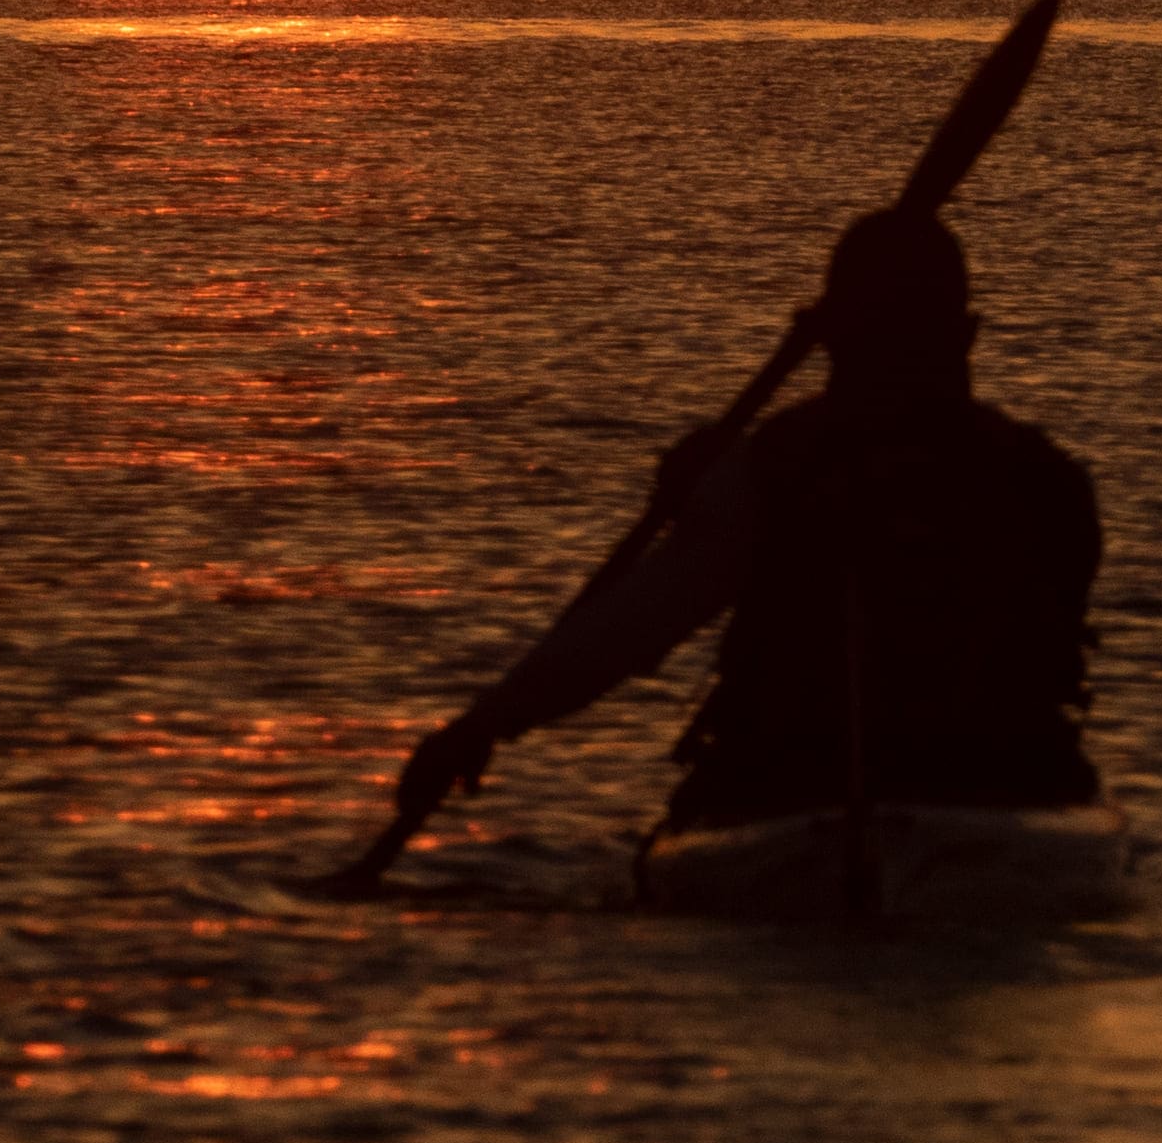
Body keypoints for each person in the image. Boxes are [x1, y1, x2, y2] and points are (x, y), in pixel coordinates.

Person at [403, 205, 1100, 834]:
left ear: (827, 337)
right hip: (1004, 794)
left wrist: (481, 725)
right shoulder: (1051, 483)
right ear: (966, 335)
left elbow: (634, 627)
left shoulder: (765, 475)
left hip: (793, 786)